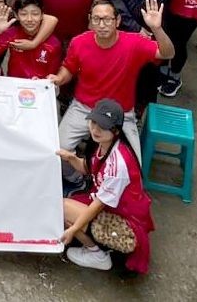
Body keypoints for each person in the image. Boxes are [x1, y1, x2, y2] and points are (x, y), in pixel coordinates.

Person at [48, 0, 174, 169]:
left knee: (132, 166)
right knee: (56, 153)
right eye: (97, 19)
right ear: (90, 21)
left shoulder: (134, 43)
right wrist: (59, 79)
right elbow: (68, 68)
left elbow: (167, 54)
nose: (102, 24)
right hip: (84, 108)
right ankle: (80, 179)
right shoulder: (79, 42)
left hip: (121, 114)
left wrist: (156, 29)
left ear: (118, 21)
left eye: (107, 19)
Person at [58, 98, 154, 274]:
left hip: (123, 220)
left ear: (115, 130)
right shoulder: (105, 145)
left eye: (102, 127)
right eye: (93, 122)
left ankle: (97, 255)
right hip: (111, 205)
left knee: (62, 208)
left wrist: (72, 229)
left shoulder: (119, 164)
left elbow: (98, 205)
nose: (95, 129)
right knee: (67, 210)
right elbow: (90, 168)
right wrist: (71, 158)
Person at [0, 0, 62, 79]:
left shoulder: (53, 44)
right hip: (14, 85)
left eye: (35, 14)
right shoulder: (12, 34)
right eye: (23, 14)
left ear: (42, 15)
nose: (29, 19)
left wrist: (42, 81)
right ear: (16, 15)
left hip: (39, 88)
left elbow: (53, 77)